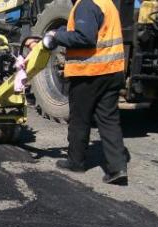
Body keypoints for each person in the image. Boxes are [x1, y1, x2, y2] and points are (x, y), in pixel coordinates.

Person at [51, 0, 129, 184]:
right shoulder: (106, 3)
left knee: (80, 118)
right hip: (112, 71)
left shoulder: (86, 4)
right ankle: (117, 167)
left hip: (89, 73)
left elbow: (85, 38)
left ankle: (76, 162)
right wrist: (63, 31)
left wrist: (57, 36)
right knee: (109, 120)